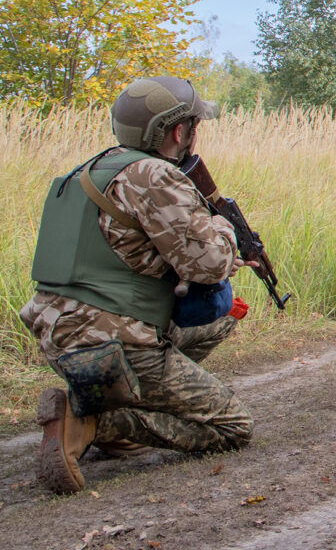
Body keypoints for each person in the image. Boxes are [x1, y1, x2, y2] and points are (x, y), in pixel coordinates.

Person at [23, 77, 252, 494]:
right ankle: (95, 421)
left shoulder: (91, 170)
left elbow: (123, 257)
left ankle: (116, 404)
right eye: (194, 125)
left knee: (221, 320)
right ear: (178, 131)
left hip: (60, 334)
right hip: (114, 342)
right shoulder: (155, 176)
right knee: (233, 427)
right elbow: (211, 263)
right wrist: (224, 229)